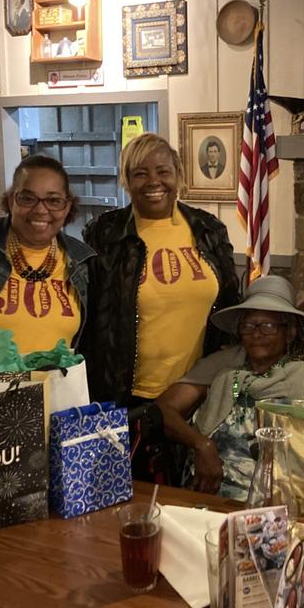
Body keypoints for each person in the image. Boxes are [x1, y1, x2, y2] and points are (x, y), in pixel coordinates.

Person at [81, 133, 240, 482]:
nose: (154, 182)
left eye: (163, 171)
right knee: (128, 505)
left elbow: (231, 305)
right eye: (140, 173)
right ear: (125, 180)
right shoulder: (106, 234)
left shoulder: (207, 229)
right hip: (127, 401)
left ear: (178, 174)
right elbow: (87, 316)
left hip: (196, 394)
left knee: (193, 500)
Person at [157, 275, 304, 499]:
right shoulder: (224, 364)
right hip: (205, 494)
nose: (256, 334)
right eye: (248, 325)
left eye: (268, 326)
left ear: (289, 332)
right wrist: (202, 444)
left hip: (274, 503)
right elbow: (163, 409)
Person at [0, 155, 94, 361]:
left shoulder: (83, 262)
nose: (40, 210)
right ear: (12, 200)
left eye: (53, 201)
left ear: (67, 206)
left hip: (57, 390)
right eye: (27, 198)